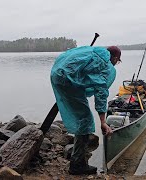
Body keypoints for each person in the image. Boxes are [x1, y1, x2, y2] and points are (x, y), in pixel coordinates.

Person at [50, 45, 121, 175]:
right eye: (117, 61)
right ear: (115, 58)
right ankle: (77, 165)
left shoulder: (93, 51)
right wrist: (103, 121)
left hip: (57, 73)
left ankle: (79, 160)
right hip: (68, 79)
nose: (116, 64)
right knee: (85, 120)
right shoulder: (105, 64)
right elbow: (101, 90)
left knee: (82, 117)